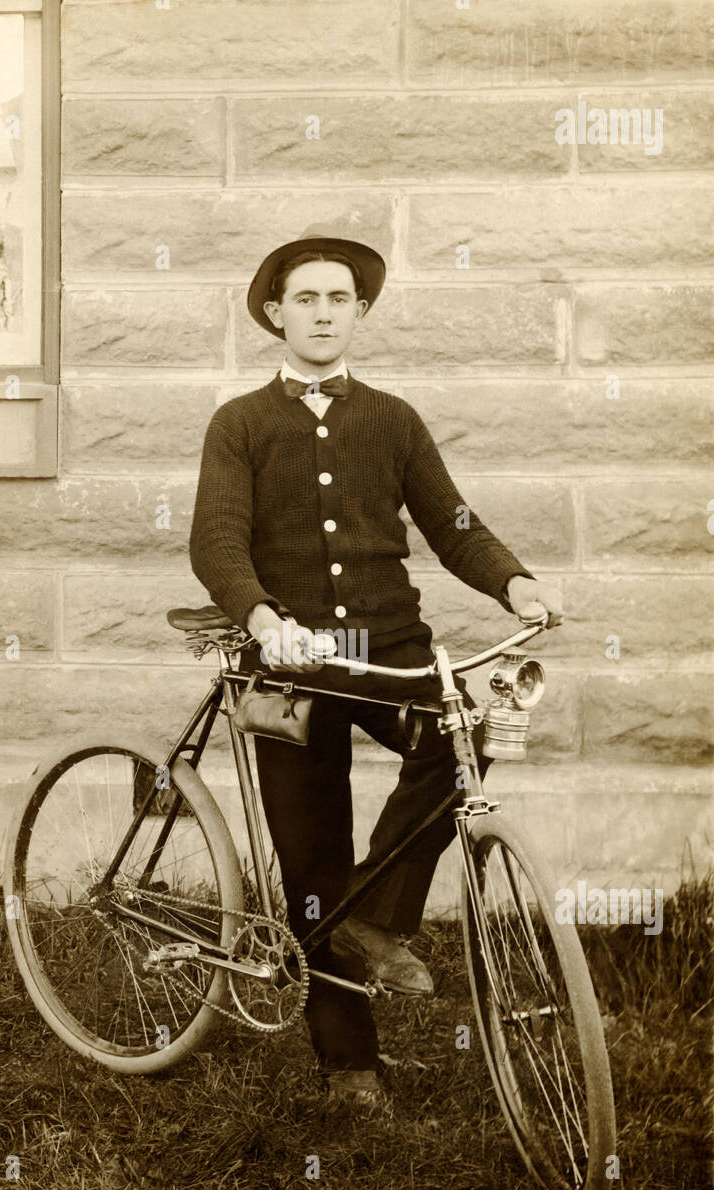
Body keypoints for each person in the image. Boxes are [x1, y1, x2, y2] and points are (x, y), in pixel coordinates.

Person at [189, 223, 562, 1106]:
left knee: (463, 733)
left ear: (359, 314)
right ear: (276, 313)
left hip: (389, 646)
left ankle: (372, 921)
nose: (323, 314)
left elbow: (452, 523)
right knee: (312, 852)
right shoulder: (240, 422)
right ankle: (350, 1063)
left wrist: (515, 583)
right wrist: (263, 618)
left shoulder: (392, 419)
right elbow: (216, 540)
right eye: (306, 299)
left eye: (340, 300)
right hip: (292, 663)